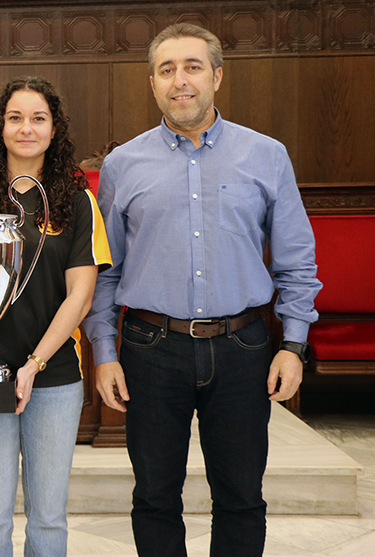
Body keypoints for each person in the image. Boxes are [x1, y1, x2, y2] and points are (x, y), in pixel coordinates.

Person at [84, 23, 321, 557]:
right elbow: (105, 269)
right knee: (154, 497)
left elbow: (295, 260)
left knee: (241, 497)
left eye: (192, 67)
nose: (180, 81)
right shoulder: (122, 165)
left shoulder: (266, 156)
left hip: (243, 348)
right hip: (149, 349)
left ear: (217, 75)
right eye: (167, 70)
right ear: (152, 83)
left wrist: (294, 344)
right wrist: (104, 351)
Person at [0, 76, 112, 556]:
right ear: (0, 128)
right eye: (15, 118)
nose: (26, 128)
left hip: (54, 378)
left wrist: (34, 363)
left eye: (38, 118)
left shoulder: (76, 201)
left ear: (54, 130)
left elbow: (81, 297)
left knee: (48, 517)